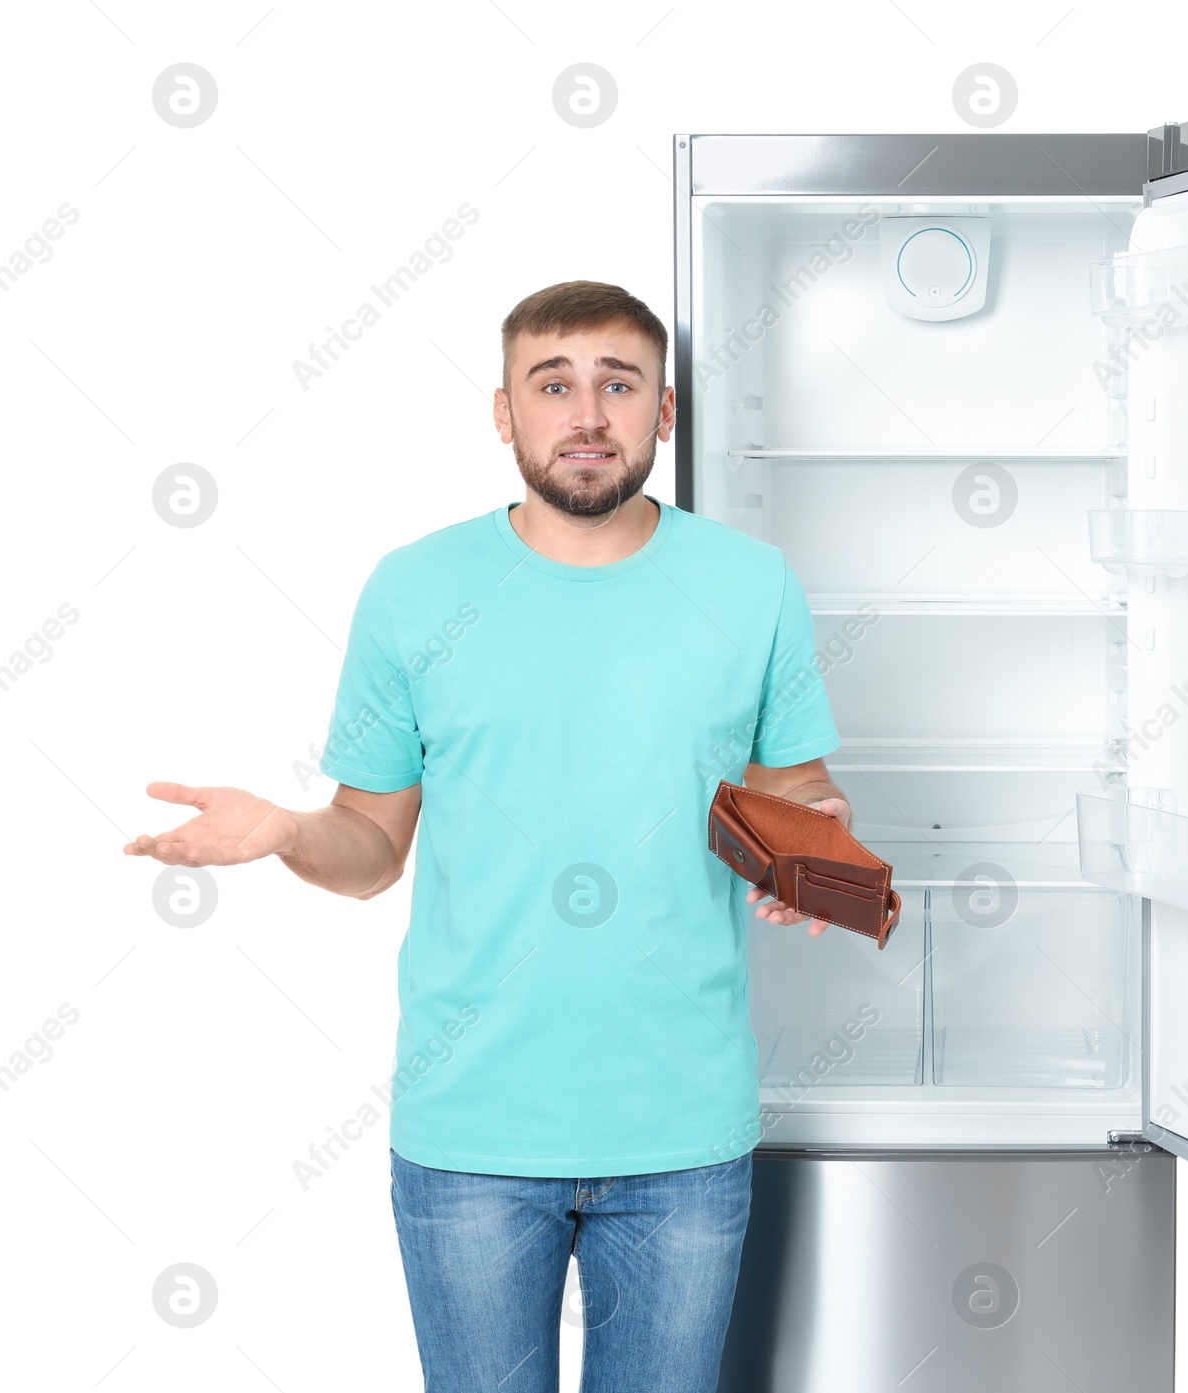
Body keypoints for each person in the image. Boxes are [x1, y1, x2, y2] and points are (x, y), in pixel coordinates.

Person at [122, 280, 851, 1393]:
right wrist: (284, 831)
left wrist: (817, 855)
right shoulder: (416, 593)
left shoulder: (749, 587)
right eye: (552, 385)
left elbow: (799, 792)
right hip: (469, 1131)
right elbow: (370, 850)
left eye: (620, 384)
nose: (588, 414)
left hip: (682, 1131)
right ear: (504, 414)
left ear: (666, 411)